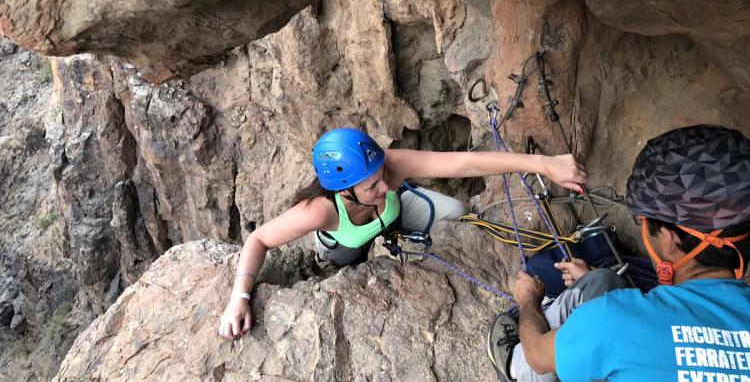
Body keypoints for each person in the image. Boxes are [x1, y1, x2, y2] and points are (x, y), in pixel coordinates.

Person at [219, 127, 588, 340]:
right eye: (372, 185)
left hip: (393, 218)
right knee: (346, 263)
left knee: (457, 213)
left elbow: (463, 162)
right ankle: (333, 261)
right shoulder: (321, 211)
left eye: (383, 177)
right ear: (344, 190)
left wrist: (543, 164)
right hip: (346, 242)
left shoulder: (388, 169)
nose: (384, 186)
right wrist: (240, 295)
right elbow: (259, 239)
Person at [488, 124, 750, 382]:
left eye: (644, 223)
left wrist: (528, 302)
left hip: (559, 344)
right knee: (604, 281)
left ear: (671, 240)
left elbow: (538, 356)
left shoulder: (612, 321)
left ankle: (511, 363)